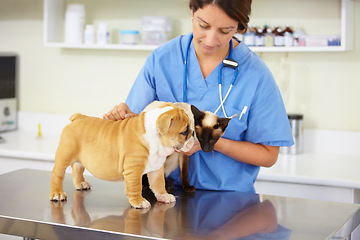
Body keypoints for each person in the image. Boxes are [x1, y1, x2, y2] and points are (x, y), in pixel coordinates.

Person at [103, 0, 294, 193]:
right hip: (161, 193)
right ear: (192, 11)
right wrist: (122, 117)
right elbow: (135, 125)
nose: (211, 40)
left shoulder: (255, 74)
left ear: (239, 26)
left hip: (229, 203)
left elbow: (269, 155)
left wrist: (210, 142)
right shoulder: (163, 59)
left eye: (225, 31)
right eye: (203, 25)